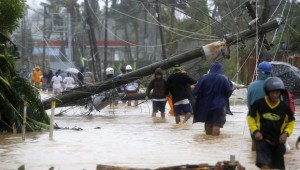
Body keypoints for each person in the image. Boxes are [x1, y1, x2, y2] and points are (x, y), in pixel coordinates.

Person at [247, 76, 295, 169]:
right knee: (265, 165)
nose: (275, 95)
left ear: (280, 93)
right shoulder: (258, 104)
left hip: (278, 142)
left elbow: (291, 121)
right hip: (262, 140)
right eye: (272, 92)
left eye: (277, 92)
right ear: (267, 92)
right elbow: (250, 117)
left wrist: (286, 133)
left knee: (277, 166)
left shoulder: (284, 106)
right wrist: (255, 131)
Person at [192, 61, 233, 136]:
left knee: (208, 123)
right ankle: (215, 143)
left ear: (211, 68)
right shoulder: (223, 78)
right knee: (216, 124)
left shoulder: (204, 77)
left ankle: (209, 143)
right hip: (219, 105)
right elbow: (229, 91)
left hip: (205, 106)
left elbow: (195, 92)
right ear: (220, 69)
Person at [247, 61, 272, 151]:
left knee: (255, 141)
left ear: (260, 72)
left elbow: (249, 105)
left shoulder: (251, 86)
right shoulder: (275, 85)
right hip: (271, 119)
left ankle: (253, 161)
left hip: (255, 118)